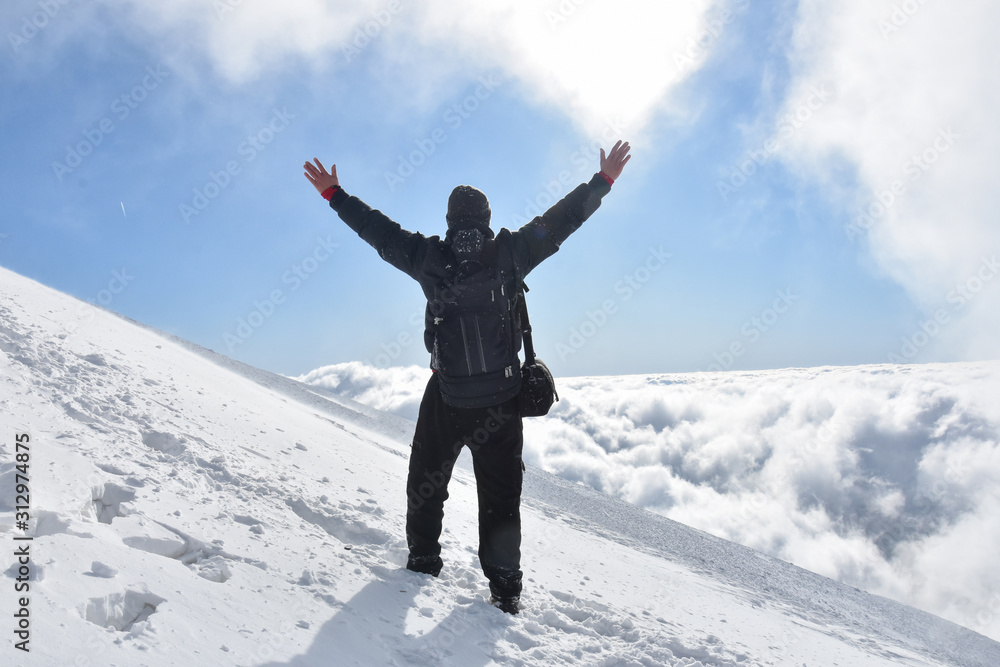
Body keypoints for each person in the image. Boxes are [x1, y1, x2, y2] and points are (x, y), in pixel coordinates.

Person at [303, 140, 631, 614]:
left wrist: (334, 194)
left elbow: (379, 233)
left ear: (450, 221)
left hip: (449, 396)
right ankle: (505, 591)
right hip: (502, 401)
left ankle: (422, 560)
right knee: (501, 500)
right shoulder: (512, 252)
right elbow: (563, 220)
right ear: (487, 217)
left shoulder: (430, 259)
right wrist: (602, 181)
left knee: (426, 481)